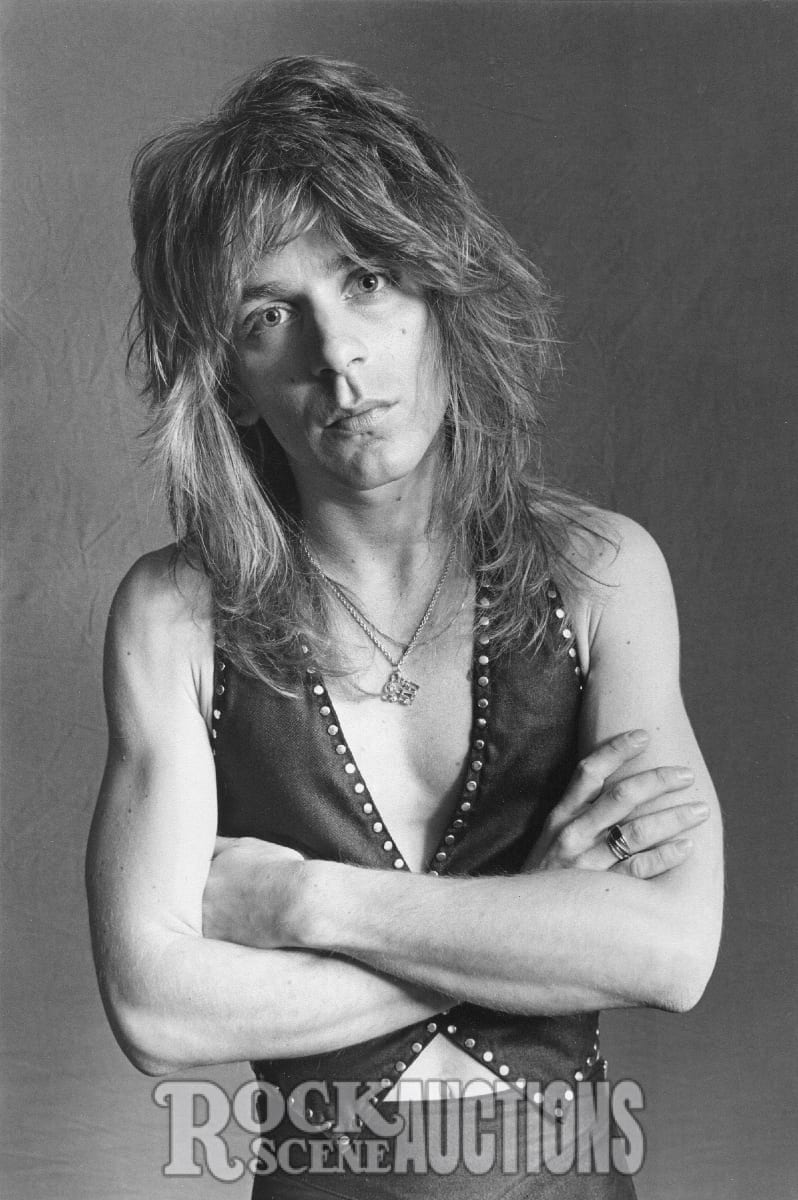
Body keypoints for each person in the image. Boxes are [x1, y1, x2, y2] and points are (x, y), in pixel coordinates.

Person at [86, 56, 723, 1198]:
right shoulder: (174, 618)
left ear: (441, 293)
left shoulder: (601, 574)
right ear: (228, 380)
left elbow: (670, 954)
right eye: (269, 316)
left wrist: (304, 905)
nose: (337, 355)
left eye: (368, 280)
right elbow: (155, 1013)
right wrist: (535, 920)